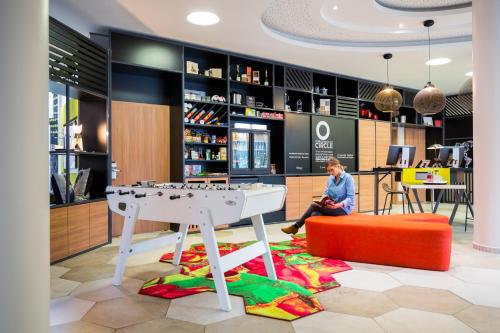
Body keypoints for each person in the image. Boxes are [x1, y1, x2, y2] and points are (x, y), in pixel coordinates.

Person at [281, 157, 355, 235]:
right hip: (331, 206)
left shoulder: (348, 178)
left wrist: (338, 205)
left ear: (338, 166)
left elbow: (350, 198)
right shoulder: (331, 178)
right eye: (328, 171)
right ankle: (318, 240)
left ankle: (296, 227)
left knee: (314, 206)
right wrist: (325, 200)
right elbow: (327, 193)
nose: (330, 173)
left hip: (343, 208)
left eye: (331, 170)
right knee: (315, 214)